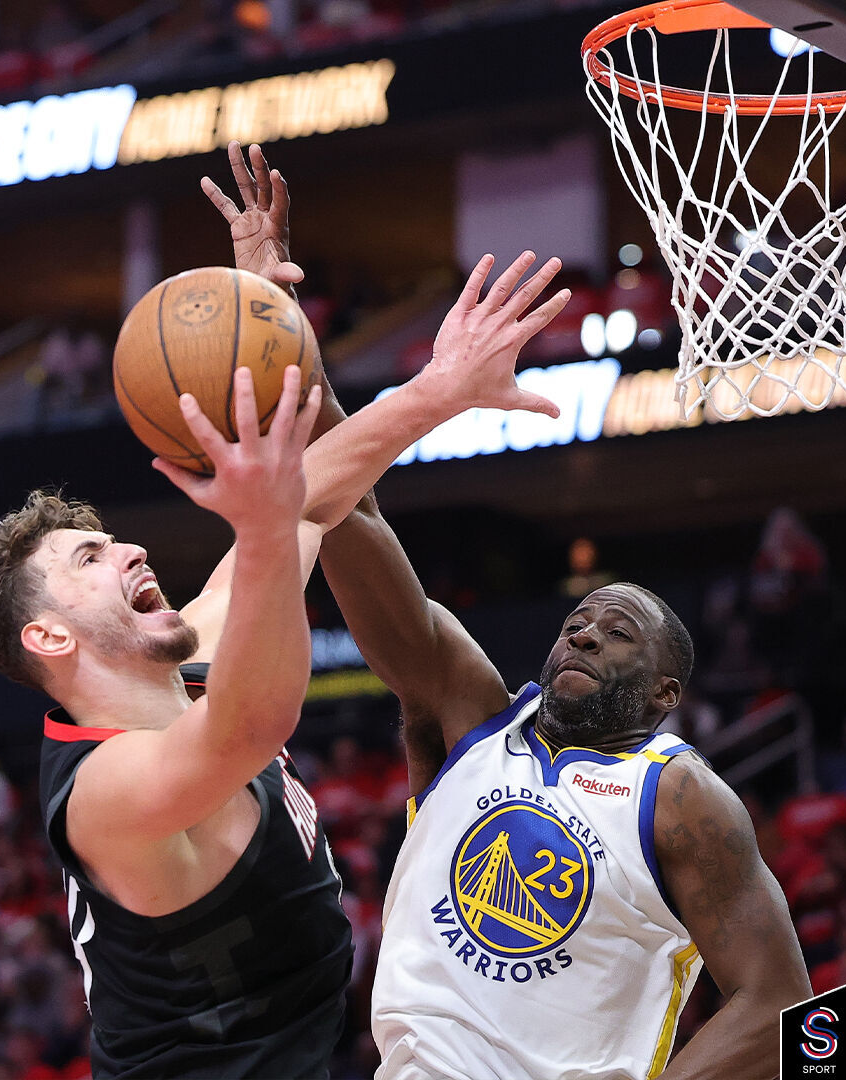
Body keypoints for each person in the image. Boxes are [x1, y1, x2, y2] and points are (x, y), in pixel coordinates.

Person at [202, 142, 812, 1080]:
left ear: (663, 693)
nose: (586, 630)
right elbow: (346, 506)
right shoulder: (468, 716)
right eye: (580, 619)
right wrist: (276, 318)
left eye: (619, 633)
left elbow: (793, 1015)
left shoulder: (682, 798)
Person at [0, 155, 572, 1078]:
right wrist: (265, 519)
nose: (131, 551)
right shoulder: (102, 796)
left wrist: (428, 385)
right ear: (49, 637)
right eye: (91, 559)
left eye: (116, 541)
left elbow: (315, 496)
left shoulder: (193, 652)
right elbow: (252, 721)